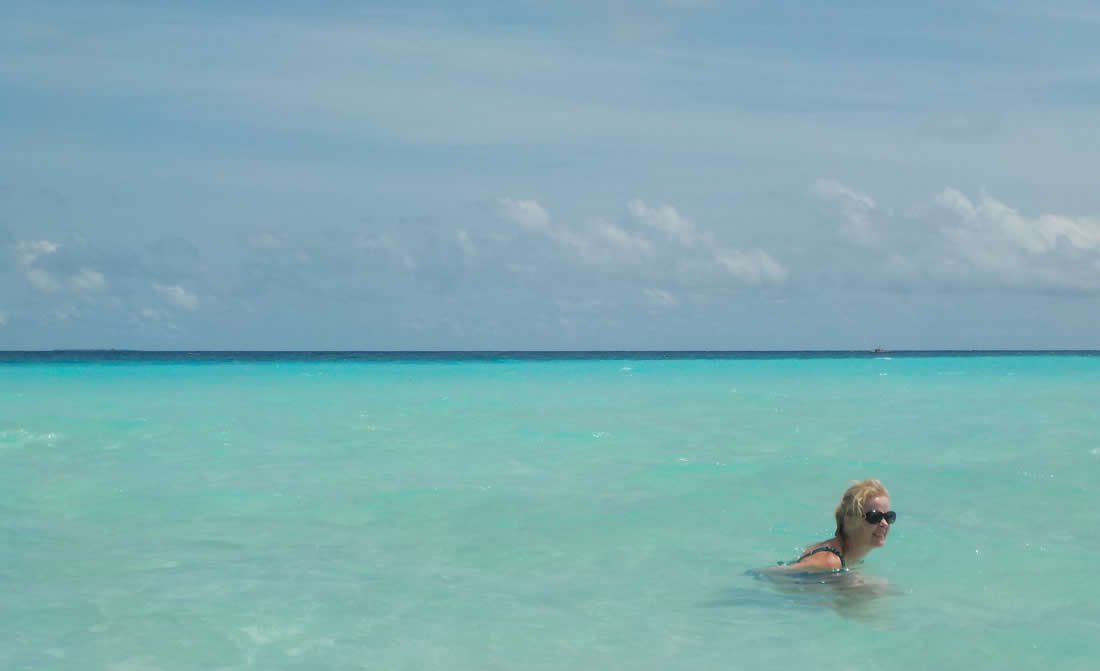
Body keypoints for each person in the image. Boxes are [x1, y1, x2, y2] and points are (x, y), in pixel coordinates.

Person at [775, 479, 896, 572]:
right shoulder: (829, 561)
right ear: (850, 521)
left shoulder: (845, 555)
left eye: (889, 516)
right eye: (875, 517)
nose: (884, 523)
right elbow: (774, 575)